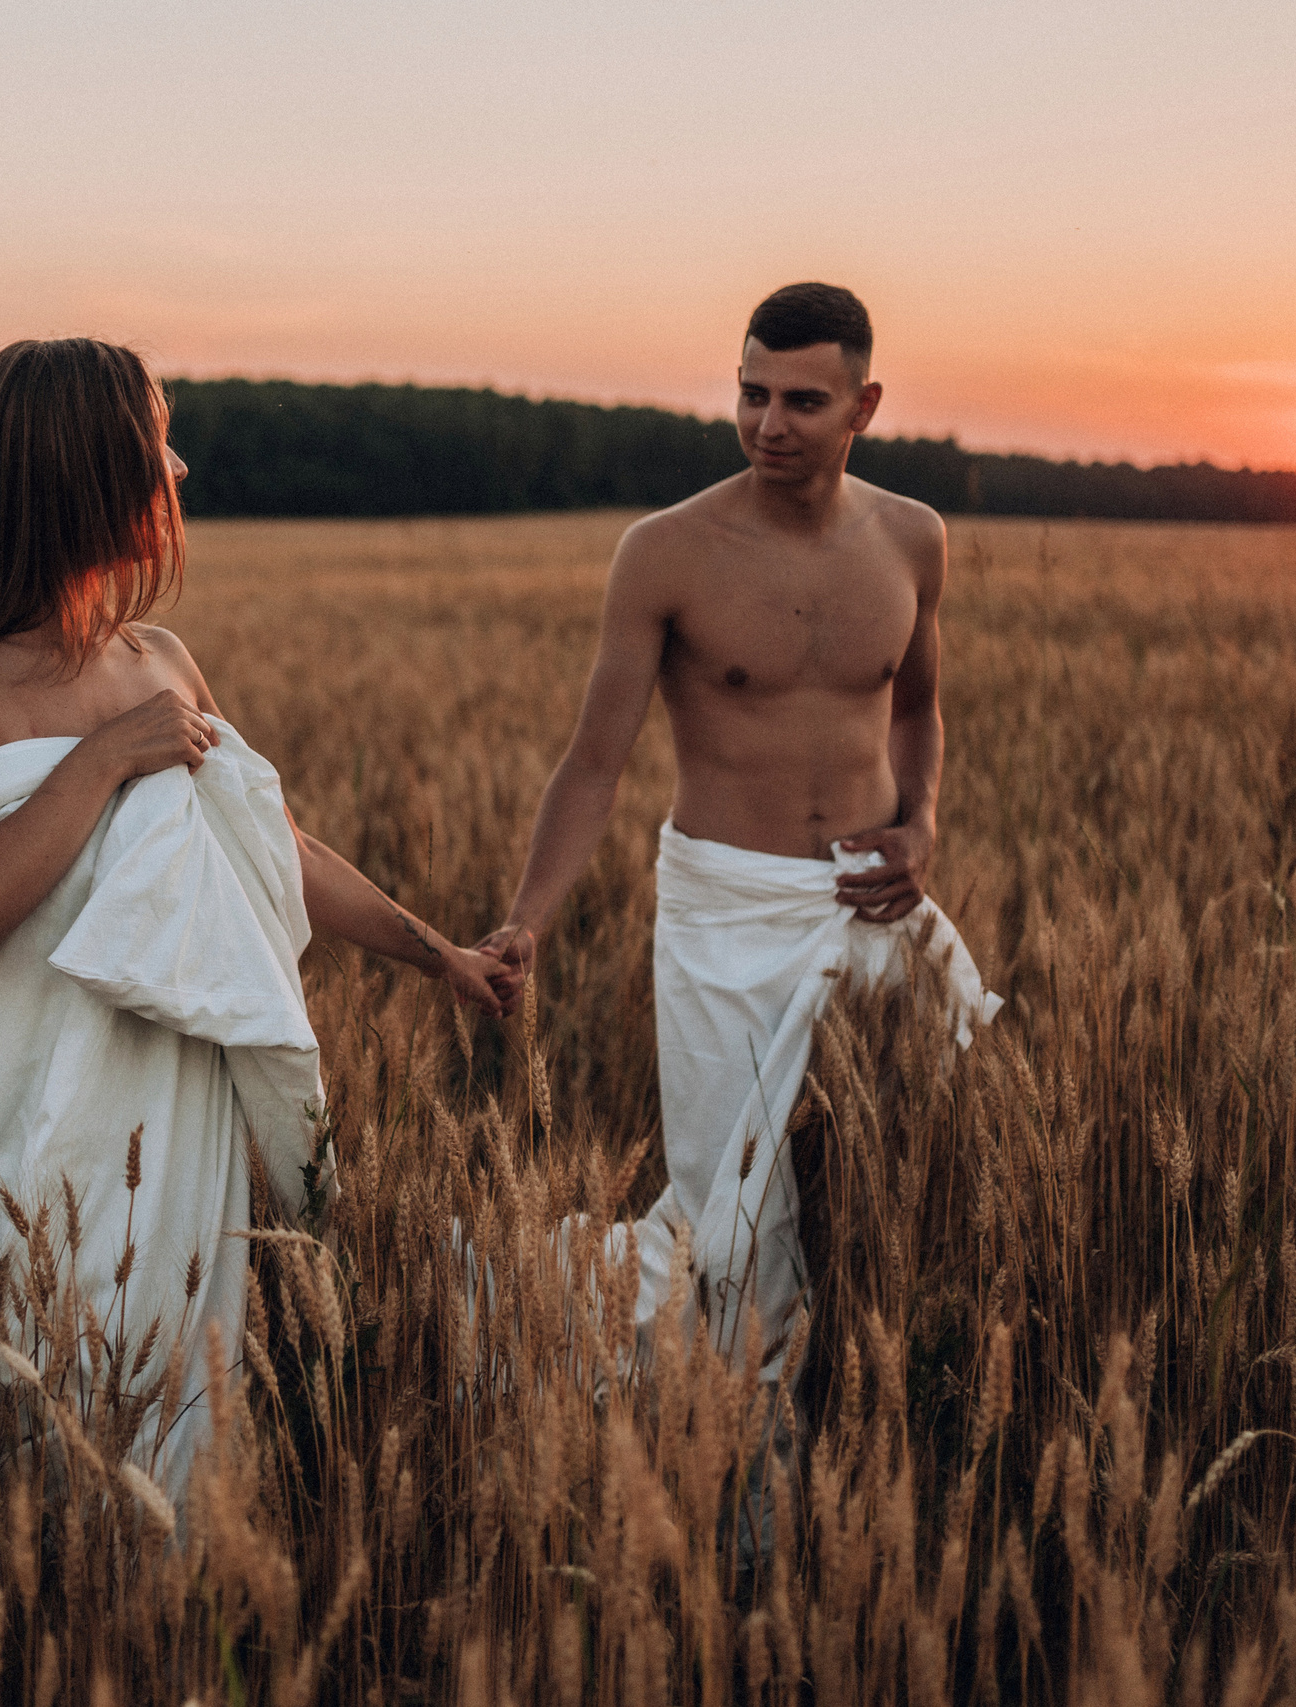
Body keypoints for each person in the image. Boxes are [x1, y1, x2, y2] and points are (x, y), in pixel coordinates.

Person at [0, 337, 513, 1511]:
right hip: (1, 1095)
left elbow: (277, 847)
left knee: (160, 1402)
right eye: (154, 443)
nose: (178, 469)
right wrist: (107, 760)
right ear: (76, 471)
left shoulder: (160, 659)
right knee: (2, 1397)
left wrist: (441, 956)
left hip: (166, 1101)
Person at [476, 283, 1001, 1392]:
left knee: (895, 1183)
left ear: (864, 404)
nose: (769, 424)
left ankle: (859, 1416)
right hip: (722, 909)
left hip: (870, 901)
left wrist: (924, 822)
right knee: (731, 1216)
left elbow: (914, 708)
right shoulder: (666, 553)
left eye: (802, 401)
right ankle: (732, 1468)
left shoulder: (913, 539)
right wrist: (528, 919)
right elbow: (594, 763)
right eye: (751, 393)